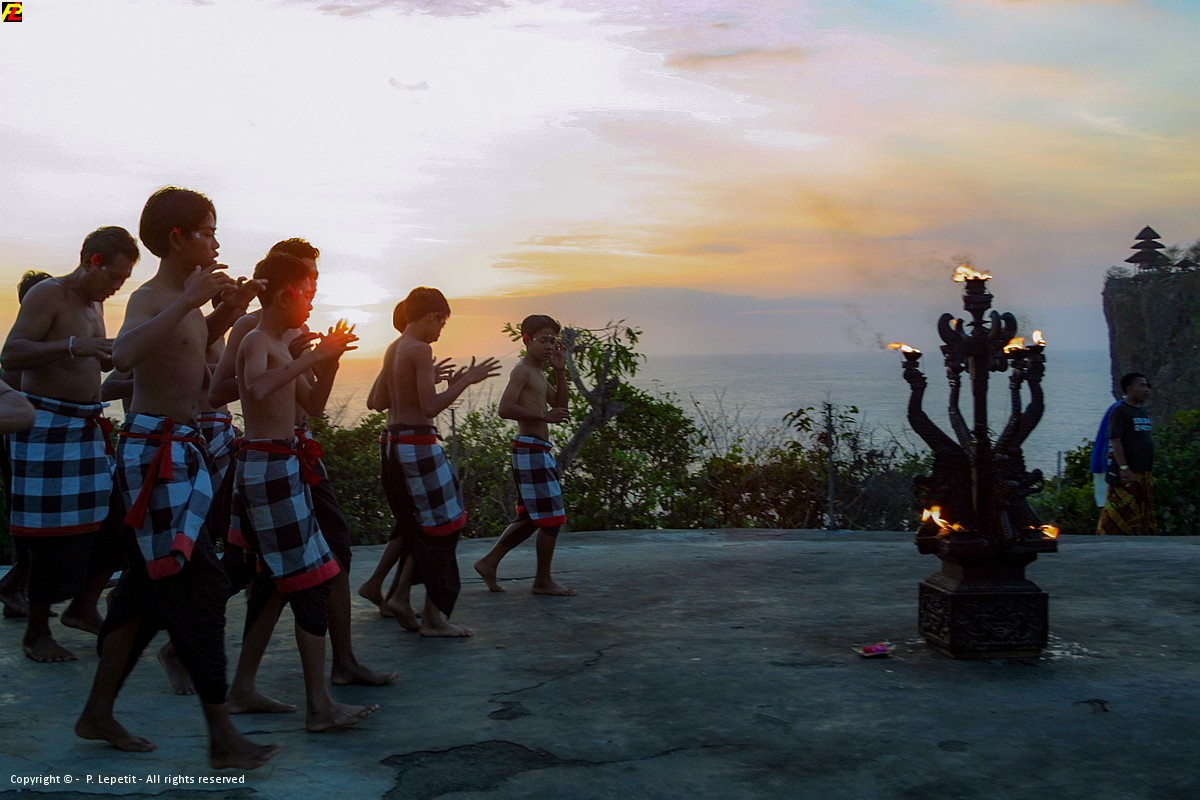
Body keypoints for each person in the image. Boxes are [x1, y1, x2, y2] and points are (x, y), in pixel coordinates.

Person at [74, 186, 278, 770]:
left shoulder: (184, 299)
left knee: (145, 591)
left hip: (183, 449)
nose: (215, 241)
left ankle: (97, 713)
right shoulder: (152, 296)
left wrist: (227, 312)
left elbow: (188, 348)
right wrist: (189, 300)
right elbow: (125, 356)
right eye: (208, 230)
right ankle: (222, 734)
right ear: (178, 237)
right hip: (156, 454)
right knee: (200, 586)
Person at [210, 238, 395, 693]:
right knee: (264, 571)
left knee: (315, 560)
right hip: (269, 460)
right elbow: (233, 391)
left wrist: (328, 361)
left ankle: (333, 664)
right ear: (282, 290)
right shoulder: (254, 331)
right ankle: (193, 647)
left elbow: (312, 403)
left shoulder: (290, 332)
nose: (312, 294)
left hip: (297, 453)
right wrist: (304, 358)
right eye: (306, 285)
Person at [0, 228, 138, 661]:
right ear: (93, 260)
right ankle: (36, 633)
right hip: (47, 428)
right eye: (114, 276)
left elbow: (85, 357)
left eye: (124, 280)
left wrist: (104, 354)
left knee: (113, 524)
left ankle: (82, 606)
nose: (117, 287)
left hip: (85, 428)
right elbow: (12, 353)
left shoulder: (94, 302)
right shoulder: (49, 294)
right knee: (50, 539)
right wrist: (75, 346)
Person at [367, 287, 499, 637]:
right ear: (432, 316)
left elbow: (377, 401)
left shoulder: (395, 347)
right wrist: (466, 380)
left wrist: (427, 381)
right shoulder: (420, 349)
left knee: (423, 526)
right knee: (446, 523)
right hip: (417, 446)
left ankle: (400, 596)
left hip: (394, 445)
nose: (440, 331)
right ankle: (433, 617)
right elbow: (430, 407)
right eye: (441, 323)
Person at [473, 314, 574, 596]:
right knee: (552, 519)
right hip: (529, 448)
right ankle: (542, 581)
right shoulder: (523, 371)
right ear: (527, 340)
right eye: (543, 340)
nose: (549, 346)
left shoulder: (538, 372)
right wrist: (543, 416)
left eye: (553, 341)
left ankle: (488, 563)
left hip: (538, 450)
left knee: (532, 517)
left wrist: (560, 371)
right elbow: (504, 409)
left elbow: (560, 406)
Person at [0, 270, 54, 619]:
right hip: (24, 445)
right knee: (32, 523)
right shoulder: (24, 349)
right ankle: (15, 588)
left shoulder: (35, 343)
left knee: (35, 523)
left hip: (36, 443)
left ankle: (21, 591)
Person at [1096, 372, 1155, 536]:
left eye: (1147, 386)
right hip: (1128, 472)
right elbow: (1115, 440)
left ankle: (1140, 538)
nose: (1146, 389)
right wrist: (1123, 467)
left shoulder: (1142, 411)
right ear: (1129, 388)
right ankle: (1108, 539)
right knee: (1120, 510)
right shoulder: (1121, 410)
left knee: (1141, 511)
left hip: (1144, 472)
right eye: (1142, 385)